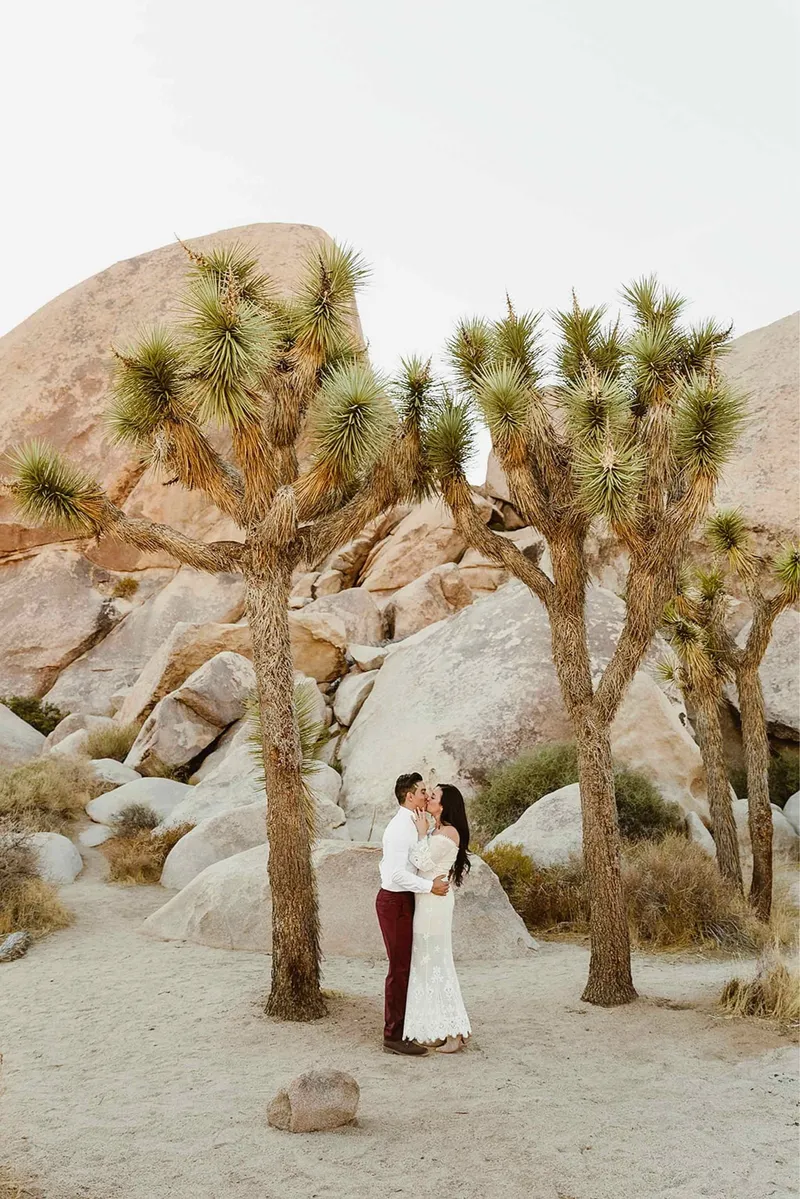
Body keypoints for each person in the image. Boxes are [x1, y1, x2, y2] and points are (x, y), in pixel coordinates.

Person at [376, 773, 450, 1056]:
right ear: (409, 796)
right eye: (422, 791)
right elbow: (395, 874)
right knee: (399, 969)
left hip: (405, 901)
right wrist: (429, 886)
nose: (426, 795)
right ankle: (393, 1036)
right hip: (395, 902)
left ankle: (407, 1026)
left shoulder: (414, 825)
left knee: (409, 966)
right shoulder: (399, 828)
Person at [403, 783, 472, 1054]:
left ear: (443, 805)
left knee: (436, 963)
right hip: (428, 900)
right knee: (428, 962)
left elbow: (421, 862)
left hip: (434, 904)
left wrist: (421, 835)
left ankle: (454, 1032)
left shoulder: (448, 832)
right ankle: (441, 1027)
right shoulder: (438, 830)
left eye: (433, 797)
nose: (428, 799)